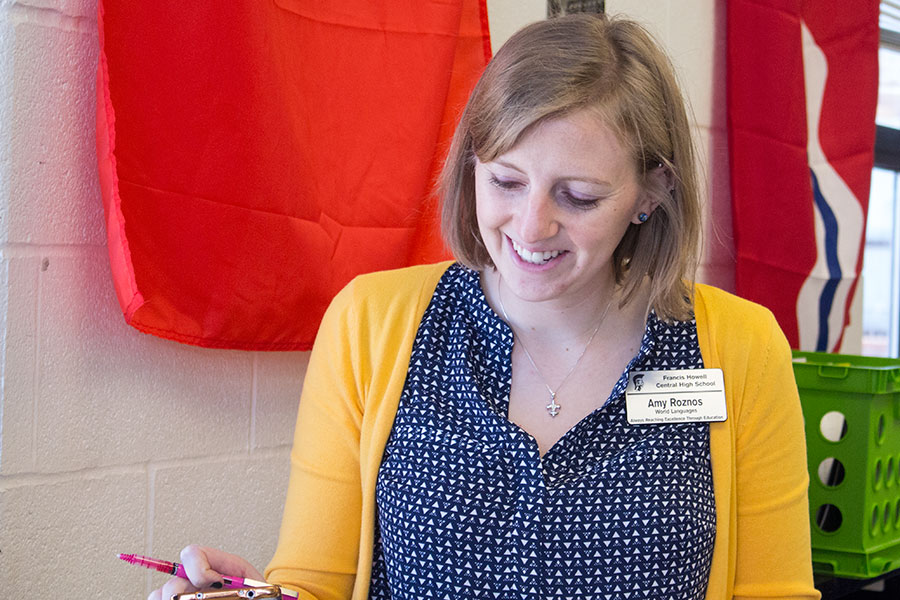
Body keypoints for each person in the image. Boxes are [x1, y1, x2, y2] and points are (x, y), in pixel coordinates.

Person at [150, 13, 820, 600]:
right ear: (471, 164)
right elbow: (314, 582)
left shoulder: (739, 350)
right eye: (506, 181)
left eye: (578, 196)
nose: (530, 228)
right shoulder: (371, 327)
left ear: (651, 192)